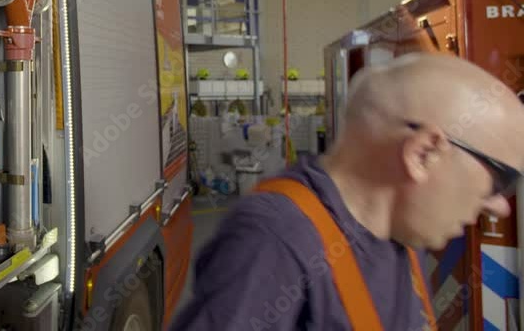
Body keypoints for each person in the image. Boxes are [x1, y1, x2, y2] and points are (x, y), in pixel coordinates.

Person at [170, 52, 524, 330]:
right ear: (423, 153)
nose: (500, 207)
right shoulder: (276, 241)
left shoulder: (399, 228)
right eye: (500, 179)